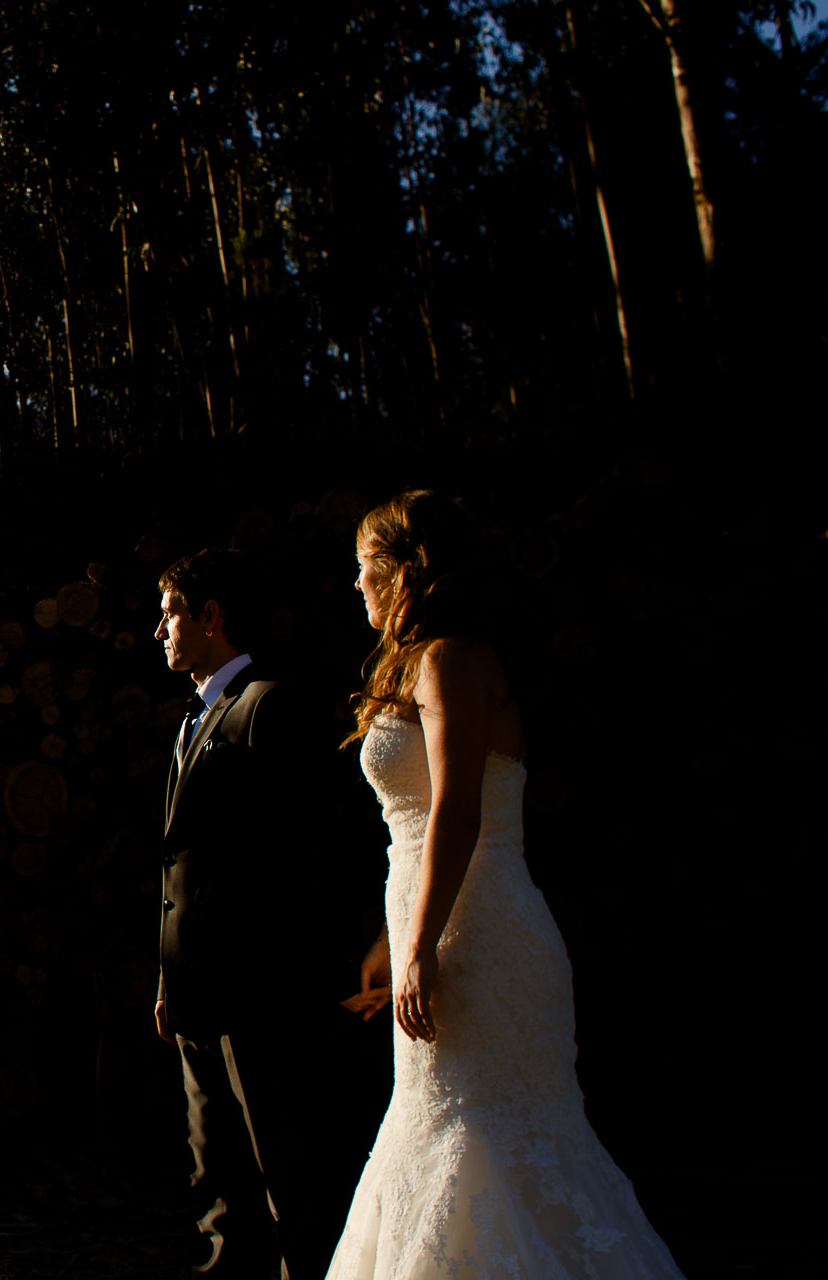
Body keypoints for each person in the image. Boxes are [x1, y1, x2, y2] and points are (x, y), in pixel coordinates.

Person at [326, 491, 686, 1279]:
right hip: (439, 921)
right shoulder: (415, 663)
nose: (355, 586)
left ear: (401, 570)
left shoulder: (453, 660)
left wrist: (422, 947)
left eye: (363, 570)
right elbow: (415, 834)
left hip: (481, 938)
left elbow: (458, 814)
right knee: (438, 1133)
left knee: (487, 1135)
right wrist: (397, 940)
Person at [154, 548, 376, 1279]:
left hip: (260, 999)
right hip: (194, 997)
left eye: (170, 614)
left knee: (289, 1182)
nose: (160, 631)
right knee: (215, 1186)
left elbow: (306, 857)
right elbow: (181, 868)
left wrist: (289, 979)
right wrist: (169, 979)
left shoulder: (267, 708)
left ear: (210, 616)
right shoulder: (188, 724)